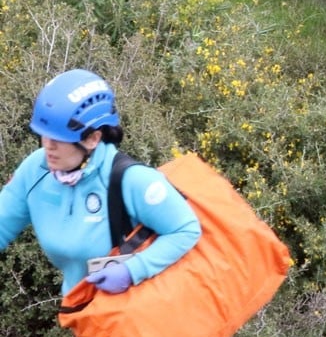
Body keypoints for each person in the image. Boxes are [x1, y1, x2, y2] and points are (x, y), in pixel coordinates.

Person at [0, 69, 201, 298]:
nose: (48, 145)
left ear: (92, 139)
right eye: (44, 135)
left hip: (136, 310)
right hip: (81, 310)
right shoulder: (36, 170)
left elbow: (186, 229)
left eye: (58, 138)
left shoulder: (130, 179)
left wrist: (131, 270)